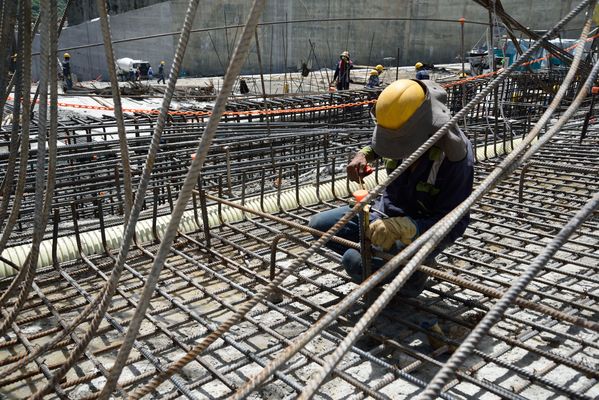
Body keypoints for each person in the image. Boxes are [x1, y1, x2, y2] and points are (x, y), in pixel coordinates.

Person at [309, 79, 474, 298]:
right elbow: (385, 142)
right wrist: (365, 154)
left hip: (419, 229)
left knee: (355, 261)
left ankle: (414, 274)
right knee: (319, 226)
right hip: (384, 211)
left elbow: (455, 224)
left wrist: (407, 228)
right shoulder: (404, 123)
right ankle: (391, 262)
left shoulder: (454, 157)